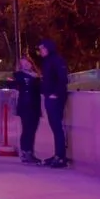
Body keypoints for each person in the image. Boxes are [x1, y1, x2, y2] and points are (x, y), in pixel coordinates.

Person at [36, 39, 69, 168]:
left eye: (42, 49)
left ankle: (60, 157)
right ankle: (58, 155)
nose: (40, 51)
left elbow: (63, 79)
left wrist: (56, 94)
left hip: (55, 98)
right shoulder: (48, 61)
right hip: (50, 96)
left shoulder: (56, 60)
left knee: (57, 127)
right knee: (55, 128)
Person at [13, 56, 43, 165]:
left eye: (27, 63)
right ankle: (26, 152)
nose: (25, 65)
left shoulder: (37, 76)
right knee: (27, 129)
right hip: (26, 106)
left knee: (32, 129)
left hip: (34, 105)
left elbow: (40, 89)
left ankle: (28, 152)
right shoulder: (21, 75)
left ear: (31, 63)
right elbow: (17, 83)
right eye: (23, 64)